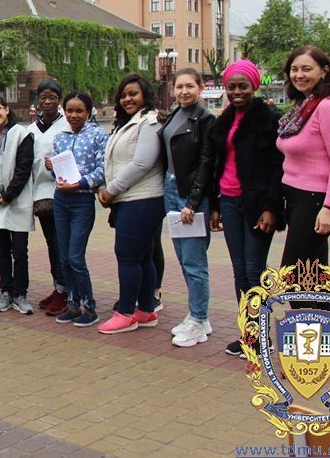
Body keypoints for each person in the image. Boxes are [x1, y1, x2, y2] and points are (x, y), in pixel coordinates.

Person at [207, 60, 284, 357]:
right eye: (232, 87)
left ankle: (262, 337)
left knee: (254, 271)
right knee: (240, 272)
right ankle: (249, 334)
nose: (237, 92)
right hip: (228, 201)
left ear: (254, 87)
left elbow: (279, 167)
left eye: (243, 86)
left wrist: (272, 208)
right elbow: (217, 165)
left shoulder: (269, 120)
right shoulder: (223, 121)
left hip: (257, 205)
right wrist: (215, 205)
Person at [276, 46, 330, 293]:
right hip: (296, 199)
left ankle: (305, 319)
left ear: (324, 71)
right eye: (294, 69)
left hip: (315, 202)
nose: (299, 75)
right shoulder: (302, 107)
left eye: (307, 69)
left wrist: (329, 208)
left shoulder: (328, 107)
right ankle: (315, 319)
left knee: (292, 276)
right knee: (313, 277)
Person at [97, 74, 165, 335]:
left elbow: (142, 163)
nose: (127, 99)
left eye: (133, 93)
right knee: (142, 257)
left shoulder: (149, 122)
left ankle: (125, 313)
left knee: (127, 256)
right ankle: (146, 310)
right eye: (123, 95)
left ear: (145, 94)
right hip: (131, 199)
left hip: (142, 199)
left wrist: (111, 190)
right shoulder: (128, 123)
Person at [157, 69, 216, 347]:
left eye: (190, 86)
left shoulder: (205, 119)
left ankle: (199, 319)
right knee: (183, 257)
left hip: (190, 196)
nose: (184, 91)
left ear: (200, 87)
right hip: (171, 190)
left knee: (194, 261)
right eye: (179, 86)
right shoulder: (174, 114)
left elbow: (206, 163)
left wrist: (192, 202)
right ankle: (197, 315)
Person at [49, 92, 106, 327]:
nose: (74, 115)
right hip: (61, 199)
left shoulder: (98, 135)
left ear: (88, 112)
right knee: (64, 257)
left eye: (79, 111)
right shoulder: (60, 137)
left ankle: (89, 307)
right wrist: (51, 168)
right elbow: (56, 173)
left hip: (82, 200)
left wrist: (80, 183)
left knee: (75, 257)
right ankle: (73, 304)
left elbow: (103, 169)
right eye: (69, 111)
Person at [0, 95, 36, 315]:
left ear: (6, 109)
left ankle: (20, 294)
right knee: (2, 250)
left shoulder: (22, 134)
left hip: (16, 200)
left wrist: (8, 195)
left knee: (20, 251)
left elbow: (24, 169)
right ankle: (6, 292)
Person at [27, 79, 71, 317]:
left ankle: (67, 291)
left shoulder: (66, 126)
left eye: (52, 98)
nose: (47, 102)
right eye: (43, 97)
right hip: (40, 195)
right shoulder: (31, 129)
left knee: (61, 243)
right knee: (51, 243)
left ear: (59, 101)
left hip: (62, 192)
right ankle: (58, 287)